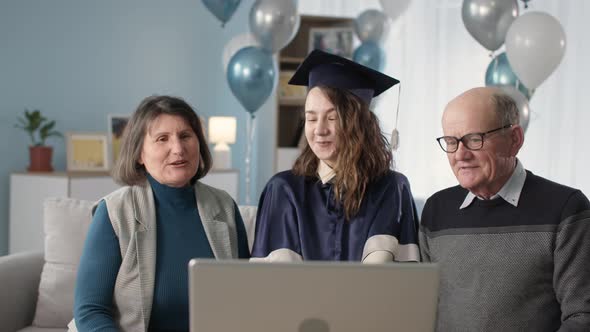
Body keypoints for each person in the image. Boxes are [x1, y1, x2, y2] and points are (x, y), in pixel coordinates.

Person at [70, 95, 250, 331]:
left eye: (185, 136)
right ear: (139, 154)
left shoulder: (224, 207)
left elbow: (245, 297)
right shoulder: (114, 212)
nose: (178, 149)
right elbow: (90, 311)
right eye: (162, 139)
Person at [420, 87, 590, 331]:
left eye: (474, 139)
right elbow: (424, 310)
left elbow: (582, 316)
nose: (460, 154)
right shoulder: (436, 209)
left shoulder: (567, 209)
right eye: (451, 142)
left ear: (514, 140)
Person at [250, 50, 420, 263]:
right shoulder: (284, 189)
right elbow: (272, 281)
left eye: (332, 118)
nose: (319, 130)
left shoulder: (391, 187)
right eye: (311, 119)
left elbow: (394, 279)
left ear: (358, 123)